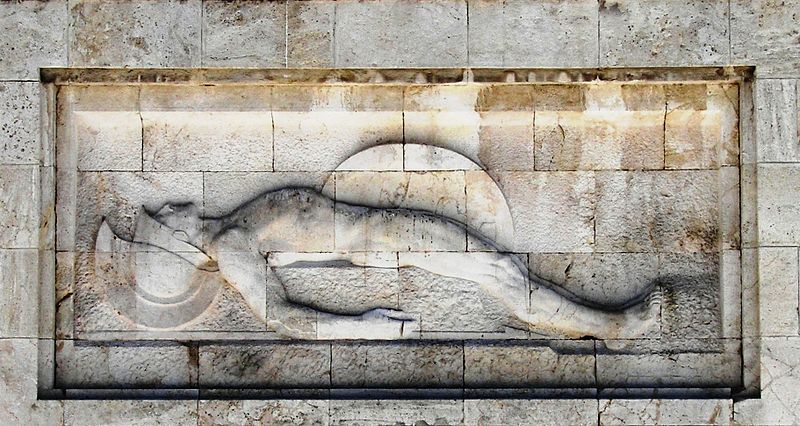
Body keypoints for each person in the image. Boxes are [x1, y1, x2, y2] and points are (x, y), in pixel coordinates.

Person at [138, 187, 660, 339]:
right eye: (162, 218)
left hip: (385, 227)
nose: (165, 205)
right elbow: (280, 316)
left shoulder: (232, 224)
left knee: (502, 272)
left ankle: (605, 324)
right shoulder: (229, 247)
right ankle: (612, 326)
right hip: (386, 239)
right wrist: (362, 329)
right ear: (176, 239)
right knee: (501, 274)